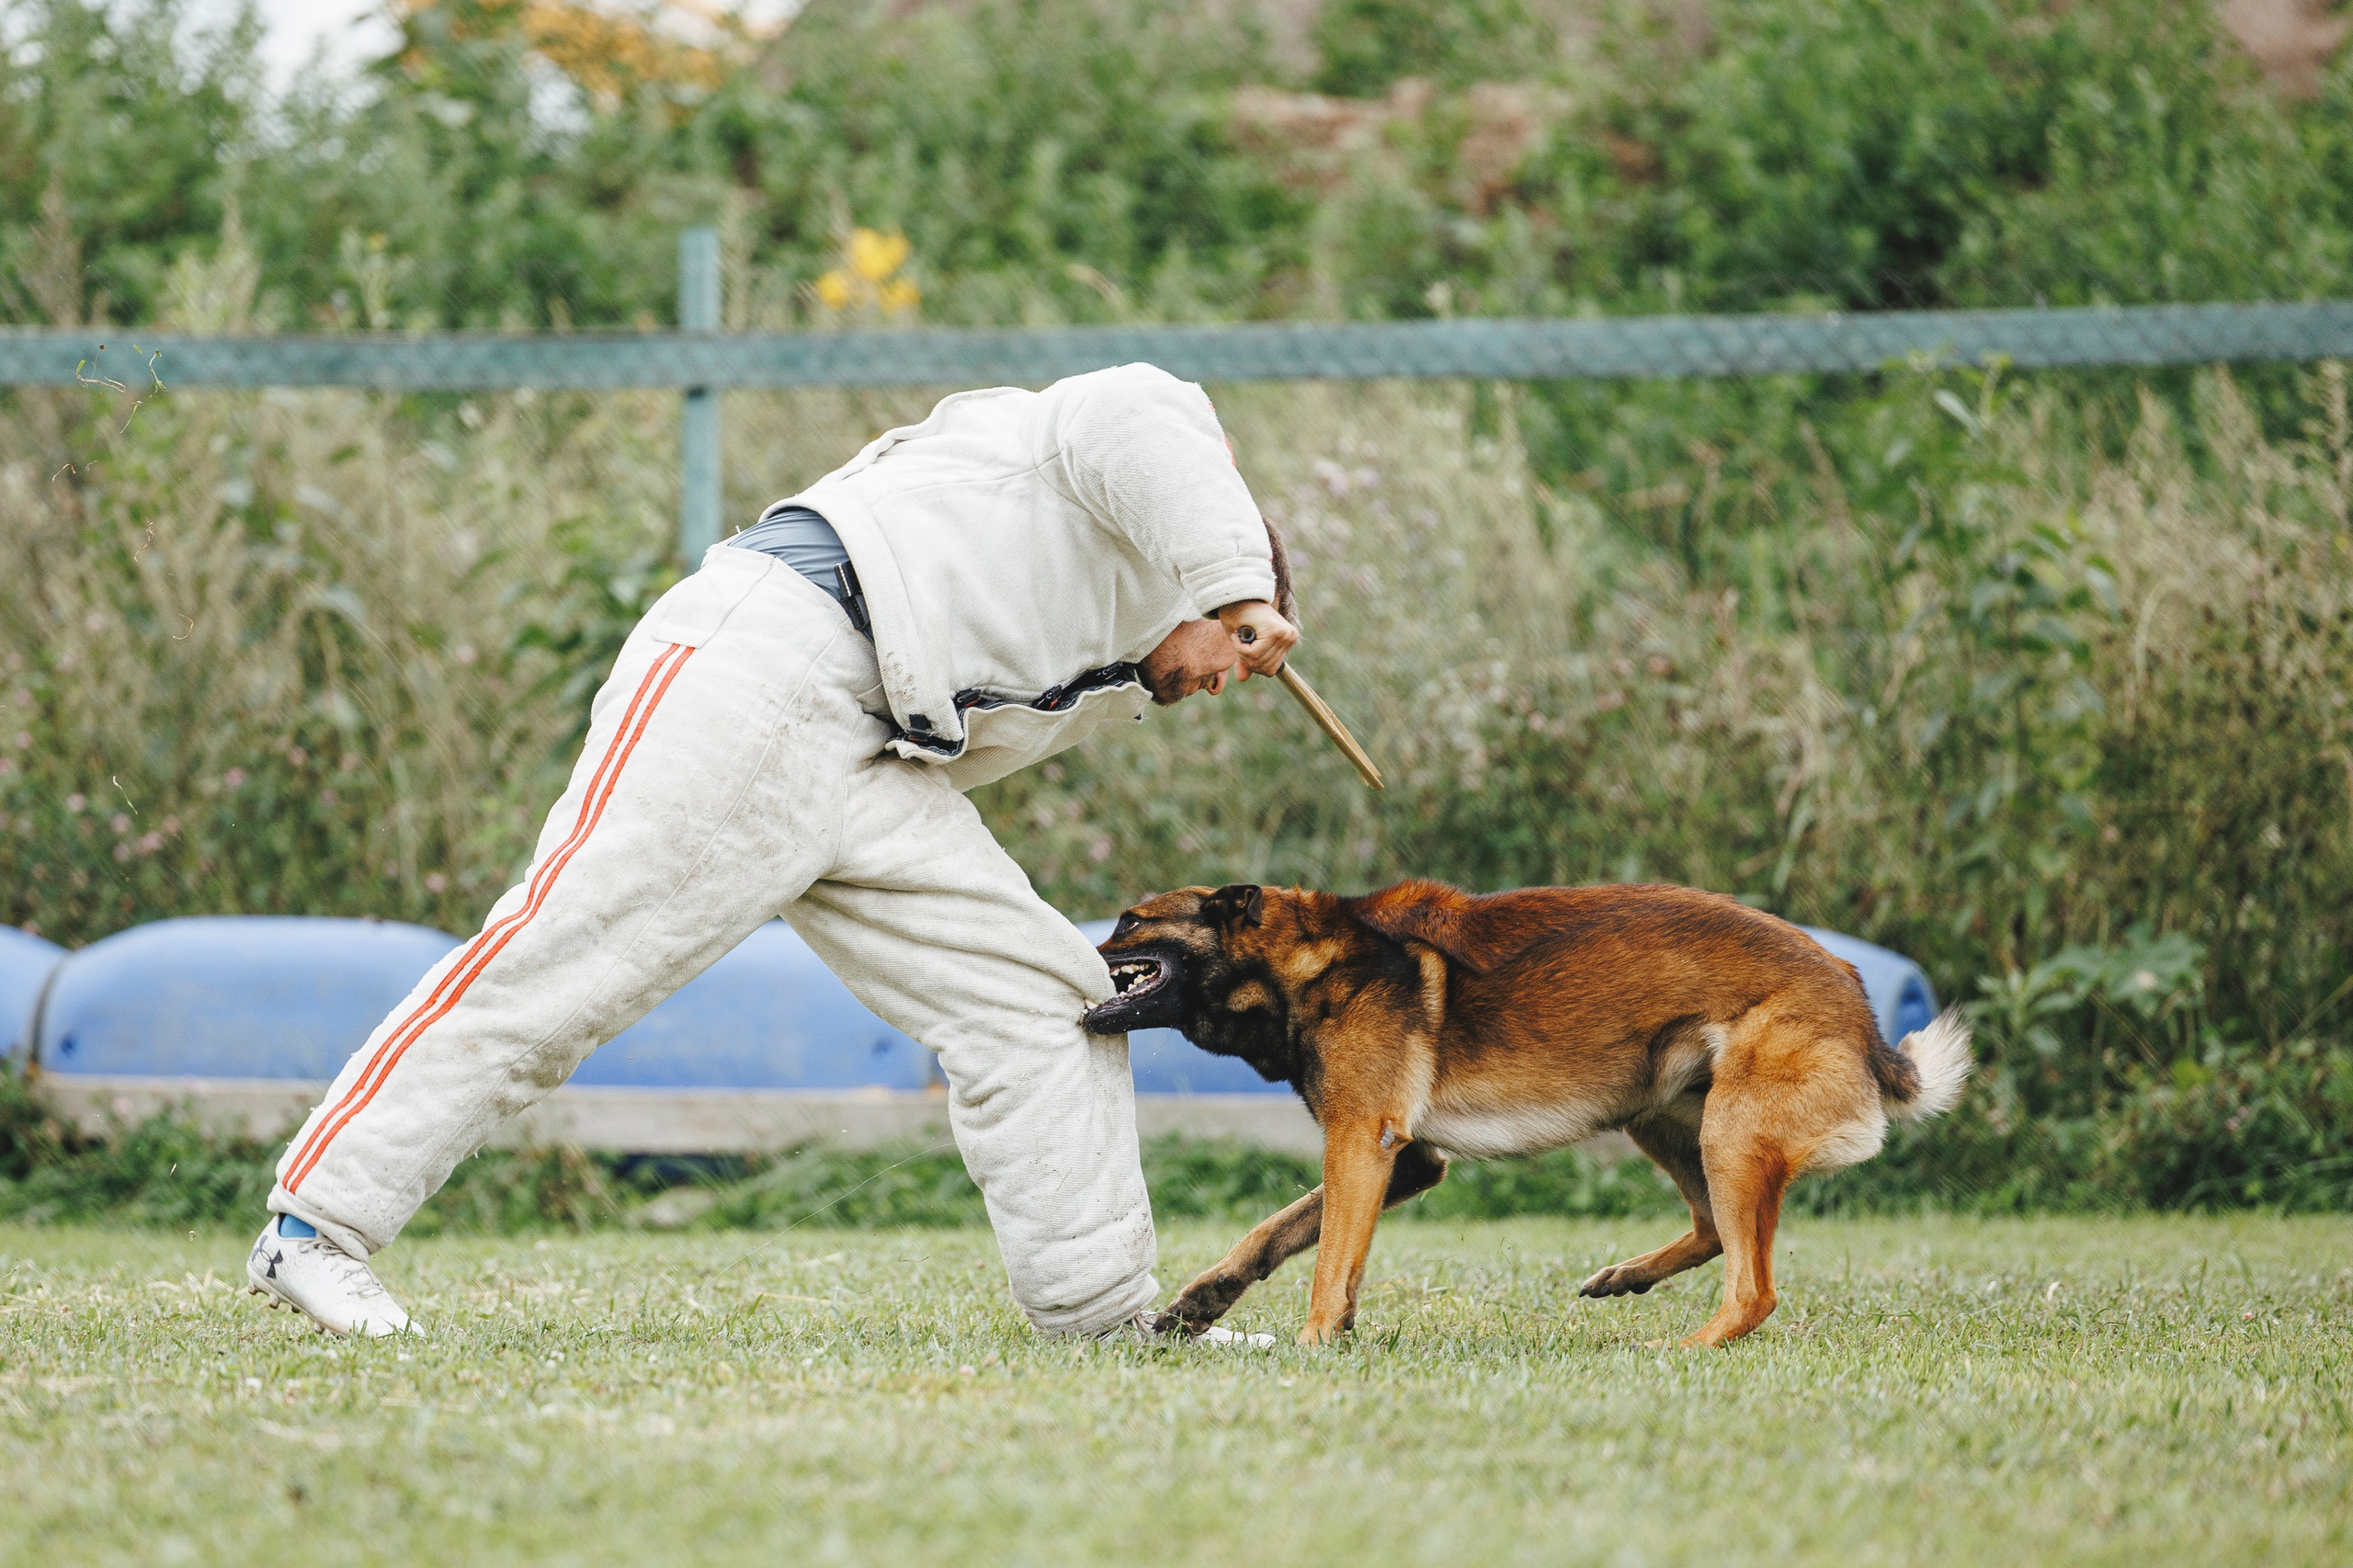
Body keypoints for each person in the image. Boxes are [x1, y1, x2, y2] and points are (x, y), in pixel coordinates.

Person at [245, 362, 1301, 1344]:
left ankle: (1103, 1318)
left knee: (1044, 995)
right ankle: (313, 1229)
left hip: (873, 751)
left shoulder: (1098, 644)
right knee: (565, 964)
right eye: (1232, 656)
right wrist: (1241, 580)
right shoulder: (1119, 444)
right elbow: (1136, 408)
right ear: (1195, 584)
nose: (1224, 682)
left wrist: (1225, 601)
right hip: (762, 664)